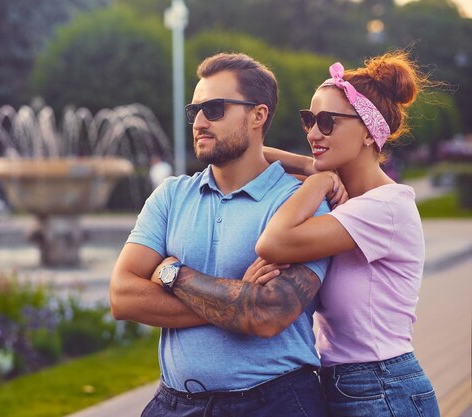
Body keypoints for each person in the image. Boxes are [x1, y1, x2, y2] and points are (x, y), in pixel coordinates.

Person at [110, 52, 331, 417]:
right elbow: (122, 297)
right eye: (194, 111)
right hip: (173, 403)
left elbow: (267, 314)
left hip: (273, 402)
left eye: (214, 109)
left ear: (258, 115)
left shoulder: (300, 205)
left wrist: (172, 273)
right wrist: (235, 296)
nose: (199, 121)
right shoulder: (171, 195)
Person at [255, 52, 440, 417]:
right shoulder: (347, 204)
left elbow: (272, 242)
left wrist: (319, 177)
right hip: (352, 384)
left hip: (383, 388)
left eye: (327, 122)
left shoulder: (384, 208)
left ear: (371, 134)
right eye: (309, 120)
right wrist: (311, 164)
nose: (312, 133)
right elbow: (248, 157)